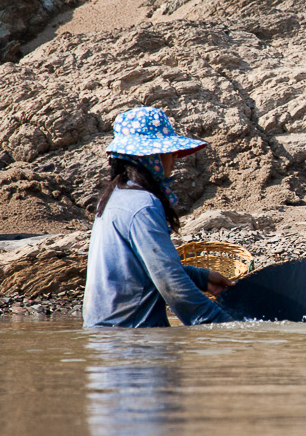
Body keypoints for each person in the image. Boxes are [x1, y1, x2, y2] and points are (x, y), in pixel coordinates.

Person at [83, 107, 235, 328]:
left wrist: (201, 277)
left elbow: (141, 267)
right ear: (149, 157)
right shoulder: (144, 205)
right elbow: (170, 282)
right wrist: (224, 326)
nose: (174, 157)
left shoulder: (116, 197)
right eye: (169, 151)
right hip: (134, 343)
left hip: (106, 340)